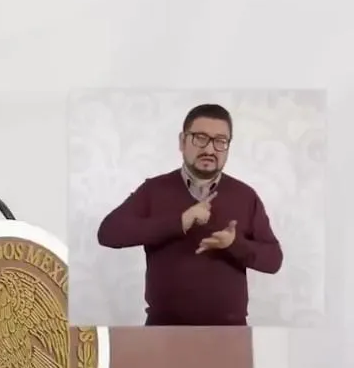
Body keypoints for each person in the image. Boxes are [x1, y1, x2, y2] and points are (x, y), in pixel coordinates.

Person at [95, 103, 282, 326]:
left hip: (229, 333)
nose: (210, 149)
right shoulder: (154, 190)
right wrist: (180, 222)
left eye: (220, 141)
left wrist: (234, 243)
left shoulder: (245, 196)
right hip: (164, 329)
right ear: (183, 142)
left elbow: (273, 260)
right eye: (200, 138)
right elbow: (108, 233)